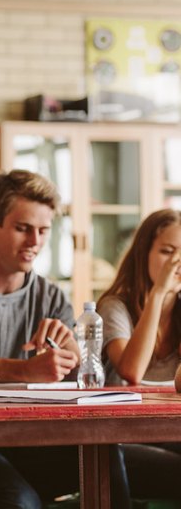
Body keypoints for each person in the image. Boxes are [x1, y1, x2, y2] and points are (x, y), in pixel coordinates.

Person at [0, 169, 130, 508]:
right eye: (23, 229)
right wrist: (25, 370)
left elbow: (78, 376)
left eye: (44, 230)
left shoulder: (51, 296)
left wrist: (70, 355)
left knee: (105, 457)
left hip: (28, 439)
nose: (35, 241)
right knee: (18, 499)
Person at [99, 208, 181, 500]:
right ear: (143, 253)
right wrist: (158, 295)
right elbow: (131, 372)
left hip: (172, 430)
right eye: (167, 252)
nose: (175, 264)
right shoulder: (114, 307)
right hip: (123, 436)